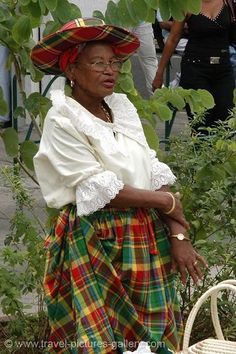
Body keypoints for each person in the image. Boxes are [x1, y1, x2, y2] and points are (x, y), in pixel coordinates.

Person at [31, 17, 207, 354]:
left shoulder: (121, 110)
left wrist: (178, 233)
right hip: (96, 239)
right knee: (101, 341)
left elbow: (155, 175)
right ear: (72, 69)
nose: (110, 70)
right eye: (98, 63)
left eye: (114, 62)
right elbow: (102, 193)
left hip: (145, 238)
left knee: (150, 338)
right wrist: (167, 204)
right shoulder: (63, 118)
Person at [152, 0, 235, 131]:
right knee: (200, 124)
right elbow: (173, 38)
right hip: (195, 68)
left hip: (223, 68)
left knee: (226, 124)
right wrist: (159, 73)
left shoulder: (227, 2)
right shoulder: (187, 4)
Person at [130, 22, 158, 98]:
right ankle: (159, 103)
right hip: (142, 17)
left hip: (140, 18)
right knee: (150, 62)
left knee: (114, 59)